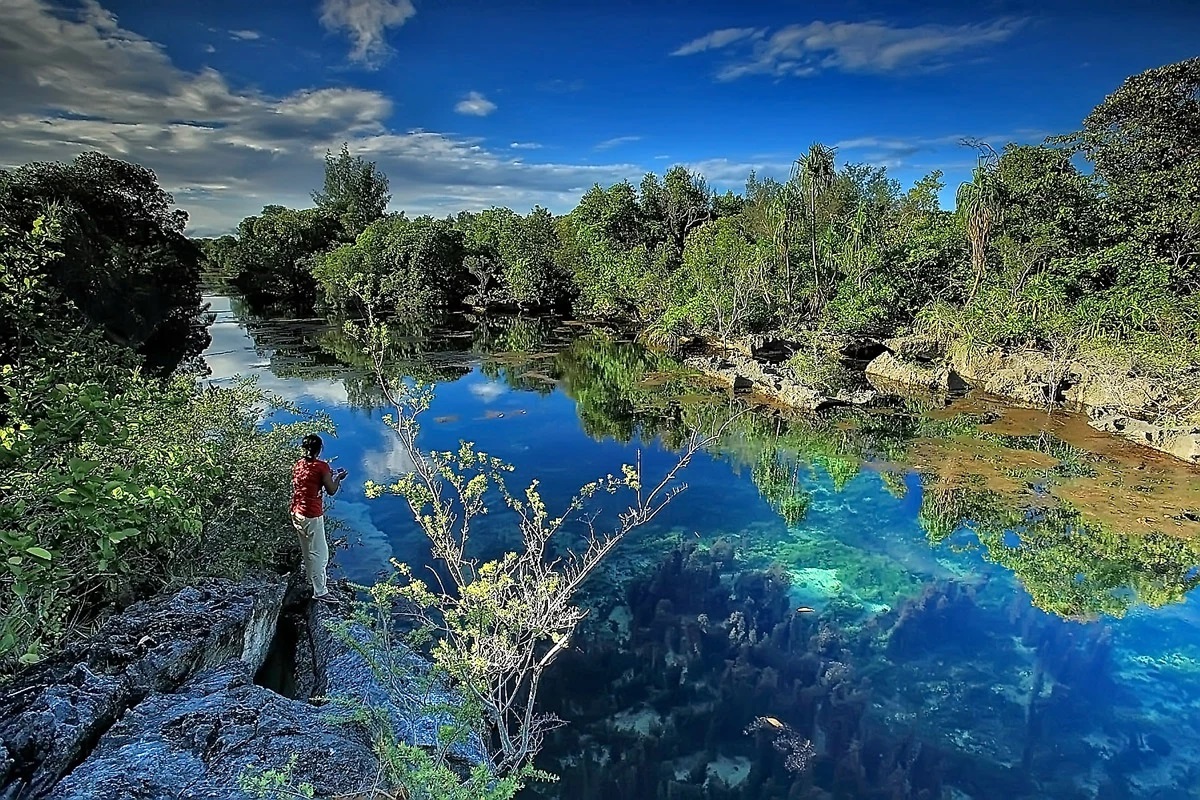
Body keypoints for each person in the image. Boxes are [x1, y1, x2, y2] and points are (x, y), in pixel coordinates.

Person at [290, 433, 347, 603]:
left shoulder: (299, 465)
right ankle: (320, 592)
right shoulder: (321, 466)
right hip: (311, 515)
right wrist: (338, 477)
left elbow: (310, 482)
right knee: (321, 554)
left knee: (308, 550)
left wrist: (328, 474)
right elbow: (331, 490)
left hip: (296, 512)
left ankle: (311, 580)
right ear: (319, 449)